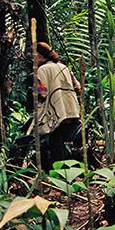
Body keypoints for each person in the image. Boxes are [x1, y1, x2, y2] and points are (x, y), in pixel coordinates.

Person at [33, 42, 83, 171]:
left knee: (56, 144)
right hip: (71, 109)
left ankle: (58, 174)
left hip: (56, 112)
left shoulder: (42, 70)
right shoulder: (63, 67)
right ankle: (72, 171)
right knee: (68, 143)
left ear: (39, 55)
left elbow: (42, 93)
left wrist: (35, 90)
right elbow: (78, 88)